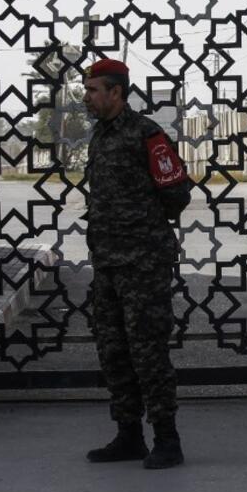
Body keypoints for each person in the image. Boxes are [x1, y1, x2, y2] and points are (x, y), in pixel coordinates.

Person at [81, 58, 191, 469]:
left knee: (148, 352)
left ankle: (167, 439)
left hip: (142, 264)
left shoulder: (147, 134)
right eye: (87, 90)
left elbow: (176, 193)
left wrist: (142, 226)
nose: (87, 97)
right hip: (107, 262)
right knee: (114, 351)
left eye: (93, 90)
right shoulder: (100, 136)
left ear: (116, 92)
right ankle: (129, 436)